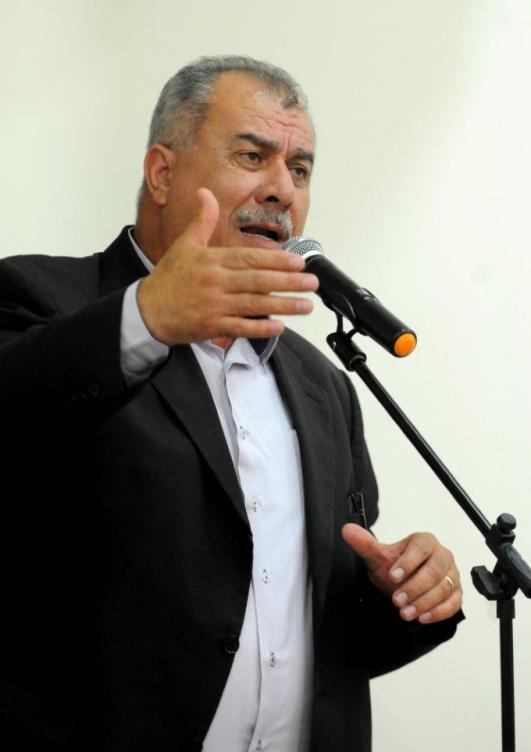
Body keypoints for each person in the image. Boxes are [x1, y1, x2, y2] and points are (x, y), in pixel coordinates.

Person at [0, 56, 463, 752]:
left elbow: (313, 633)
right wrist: (146, 317)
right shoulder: (41, 302)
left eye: (299, 169)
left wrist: (405, 593)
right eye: (253, 156)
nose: (281, 189)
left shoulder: (323, 385)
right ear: (162, 173)